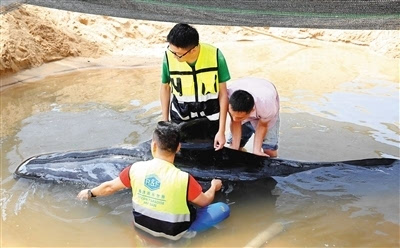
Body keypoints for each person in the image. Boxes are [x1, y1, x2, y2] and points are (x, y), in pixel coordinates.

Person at [77, 121, 230, 240]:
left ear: (153, 145)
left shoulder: (134, 169)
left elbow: (109, 188)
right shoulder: (184, 179)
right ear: (178, 148)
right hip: (175, 235)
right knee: (223, 208)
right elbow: (204, 202)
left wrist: (90, 192)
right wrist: (213, 187)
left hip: (141, 229)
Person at [160, 23, 231, 150]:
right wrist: (165, 123)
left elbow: (223, 93)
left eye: (178, 54)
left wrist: (221, 131)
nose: (174, 56)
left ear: (193, 49)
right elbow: (165, 88)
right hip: (180, 118)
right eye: (172, 51)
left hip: (210, 118)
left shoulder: (215, 56)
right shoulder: (168, 56)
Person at [227, 77, 280, 157]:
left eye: (240, 118)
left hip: (265, 97)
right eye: (233, 115)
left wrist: (257, 150)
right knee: (234, 148)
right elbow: (235, 121)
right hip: (247, 86)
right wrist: (235, 147)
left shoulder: (267, 106)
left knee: (269, 150)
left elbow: (262, 125)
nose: (234, 119)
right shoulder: (227, 97)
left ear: (252, 111)